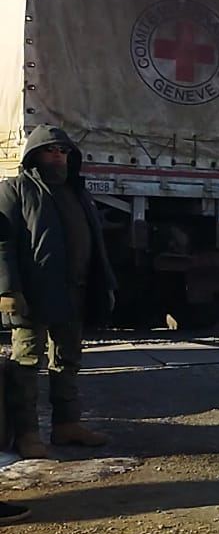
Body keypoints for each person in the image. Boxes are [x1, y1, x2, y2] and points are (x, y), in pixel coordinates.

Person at [0, 125, 117, 455]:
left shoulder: (77, 192)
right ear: (34, 154)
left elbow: (95, 244)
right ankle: (26, 434)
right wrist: (8, 290)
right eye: (50, 150)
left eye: (63, 151)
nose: (58, 156)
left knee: (67, 360)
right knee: (26, 365)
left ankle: (67, 425)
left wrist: (105, 285)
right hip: (32, 294)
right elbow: (2, 243)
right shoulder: (15, 190)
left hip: (73, 292)